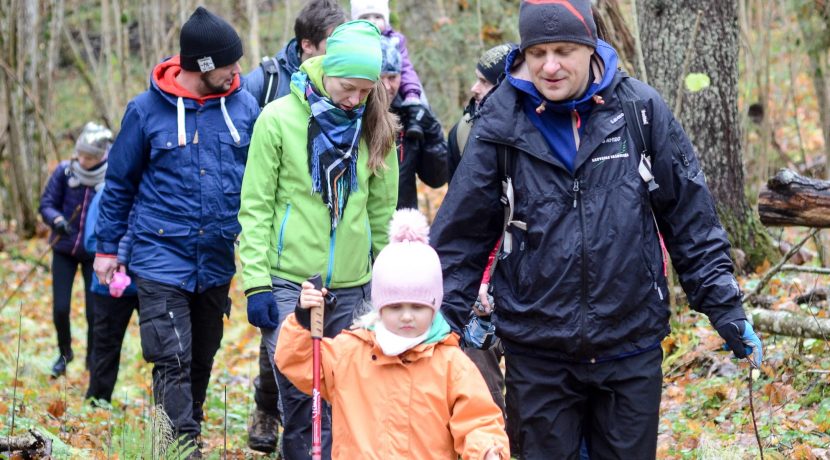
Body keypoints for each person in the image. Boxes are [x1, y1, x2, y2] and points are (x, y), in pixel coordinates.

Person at [429, 1, 763, 458]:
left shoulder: (640, 111)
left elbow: (689, 218)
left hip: (629, 345)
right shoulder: (499, 122)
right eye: (538, 52)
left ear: (590, 47)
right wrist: (434, 327)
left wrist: (726, 307)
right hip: (537, 351)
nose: (549, 65)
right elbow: (459, 238)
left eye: (564, 50)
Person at [93, 7, 259, 453]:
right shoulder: (145, 112)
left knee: (201, 357)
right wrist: (107, 248)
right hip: (159, 254)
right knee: (172, 358)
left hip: (217, 256)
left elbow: (265, 179)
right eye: (229, 63)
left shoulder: (245, 106)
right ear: (203, 65)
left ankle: (182, 432)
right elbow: (119, 183)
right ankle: (180, 448)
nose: (237, 71)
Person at [238, 20, 398, 460]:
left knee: (347, 398)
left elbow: (383, 215)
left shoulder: (375, 125)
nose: (355, 99)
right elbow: (255, 208)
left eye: (365, 92)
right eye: (348, 87)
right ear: (325, 69)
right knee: (301, 399)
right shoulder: (278, 120)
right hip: (291, 283)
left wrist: (390, 286)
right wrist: (256, 284)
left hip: (353, 286)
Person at [276, 208, 509, 460]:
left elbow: (478, 419)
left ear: (434, 308)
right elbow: (298, 362)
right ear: (380, 307)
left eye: (418, 307)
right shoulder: (349, 353)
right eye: (395, 307)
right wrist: (303, 320)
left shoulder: (452, 365)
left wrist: (487, 450)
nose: (407, 316)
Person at [241, 0, 347, 452]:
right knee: (292, 373)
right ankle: (270, 411)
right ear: (307, 47)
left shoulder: (356, 94)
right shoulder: (266, 89)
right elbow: (252, 187)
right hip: (285, 264)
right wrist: (255, 279)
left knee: (333, 383)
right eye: (329, 48)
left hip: (341, 266)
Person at [39, 121, 111, 377]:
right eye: (80, 154)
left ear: (101, 155)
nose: (82, 160)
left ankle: (92, 360)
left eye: (89, 157)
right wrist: (57, 220)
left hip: (96, 255)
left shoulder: (111, 177)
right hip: (64, 250)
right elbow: (46, 204)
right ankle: (64, 353)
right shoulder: (65, 172)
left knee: (94, 312)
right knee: (60, 307)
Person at [84, 183, 139, 404]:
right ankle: (97, 403)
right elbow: (90, 242)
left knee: (164, 348)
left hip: (152, 281)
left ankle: (169, 417)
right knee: (105, 348)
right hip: (109, 287)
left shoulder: (157, 188)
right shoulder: (105, 194)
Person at [378, 36, 447, 209]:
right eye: (380, 78)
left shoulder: (411, 113)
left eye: (393, 77)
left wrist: (432, 131)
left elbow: (436, 179)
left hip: (403, 225)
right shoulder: (352, 113)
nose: (387, 86)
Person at [243, 0, 346, 108]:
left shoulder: (351, 75)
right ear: (307, 45)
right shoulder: (266, 80)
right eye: (333, 42)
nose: (342, 48)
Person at [351, 0, 428, 140]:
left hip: (395, 93)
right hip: (367, 91)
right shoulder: (352, 41)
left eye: (377, 17)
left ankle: (415, 122)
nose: (372, 22)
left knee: (418, 99)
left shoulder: (396, 40)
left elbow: (406, 69)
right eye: (365, 18)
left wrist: (412, 92)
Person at [447, 43, 515, 179]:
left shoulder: (534, 132)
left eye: (485, 82)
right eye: (477, 79)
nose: (474, 88)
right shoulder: (462, 131)